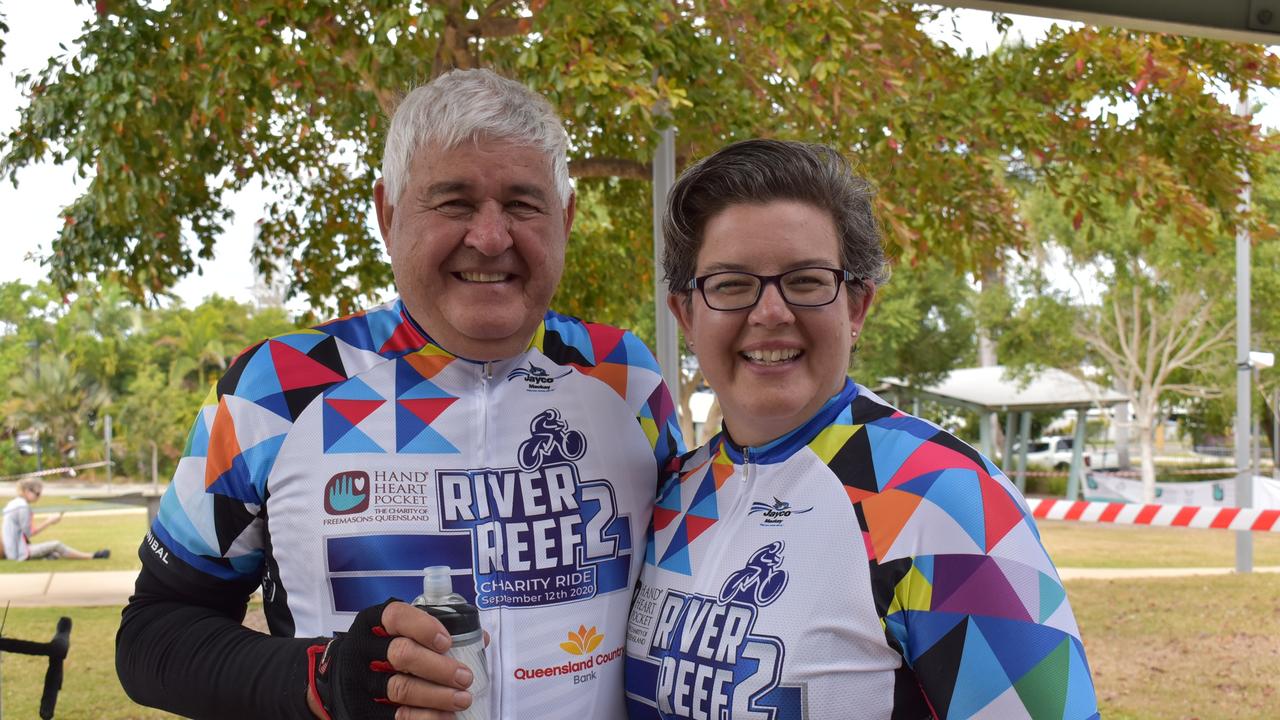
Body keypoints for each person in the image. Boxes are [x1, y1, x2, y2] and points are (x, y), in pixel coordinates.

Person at [116, 69, 682, 720]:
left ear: (567, 218)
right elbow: (154, 633)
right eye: (455, 202)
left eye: (524, 204)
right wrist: (325, 680)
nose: (491, 238)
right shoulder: (278, 388)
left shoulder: (626, 378)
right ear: (388, 213)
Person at [624, 139, 1099, 719]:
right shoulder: (673, 492)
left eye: (804, 280)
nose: (770, 312)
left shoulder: (943, 496)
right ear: (686, 316)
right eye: (730, 284)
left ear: (856, 308)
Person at [2, 478, 110, 561]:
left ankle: (50, 557)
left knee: (55, 552)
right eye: (37, 494)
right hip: (18, 552)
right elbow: (30, 533)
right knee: (56, 545)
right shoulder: (23, 507)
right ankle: (92, 556)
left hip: (13, 548)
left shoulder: (13, 504)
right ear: (26, 491)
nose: (39, 497)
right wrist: (49, 521)